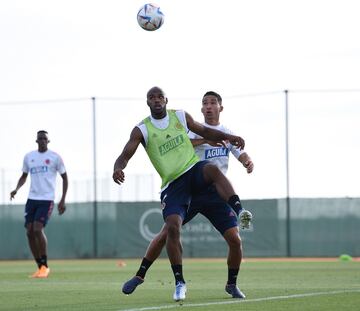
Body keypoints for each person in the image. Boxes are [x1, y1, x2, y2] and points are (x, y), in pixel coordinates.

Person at [113, 87, 252, 302]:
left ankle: (232, 278)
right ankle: (147, 276)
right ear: (147, 102)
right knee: (169, 230)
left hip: (205, 184)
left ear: (166, 100)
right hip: (177, 186)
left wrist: (230, 139)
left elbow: (214, 135)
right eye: (152, 97)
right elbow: (124, 154)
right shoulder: (143, 129)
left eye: (160, 96)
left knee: (235, 239)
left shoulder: (180, 116)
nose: (157, 100)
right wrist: (118, 167)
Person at [10, 130, 68, 278]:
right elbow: (24, 176)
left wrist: (62, 199)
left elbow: (65, 178)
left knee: (37, 228)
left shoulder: (55, 157)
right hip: (32, 199)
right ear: (36, 141)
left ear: (48, 141)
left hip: (47, 199)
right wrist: (16, 189)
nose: (42, 140)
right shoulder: (29, 157)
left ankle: (45, 266)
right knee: (29, 231)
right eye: (39, 138)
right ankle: (40, 266)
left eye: (44, 138)